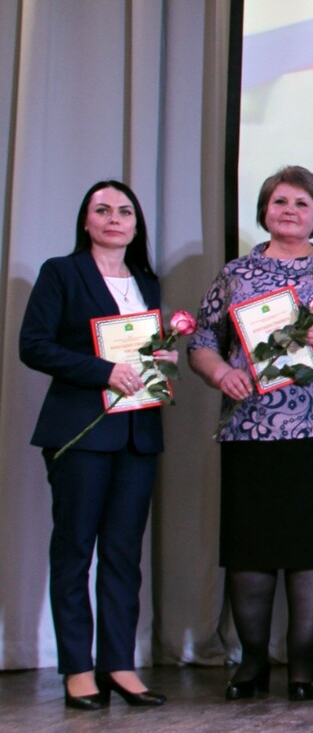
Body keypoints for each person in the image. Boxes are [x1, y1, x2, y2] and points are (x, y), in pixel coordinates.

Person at [187, 166, 313, 701]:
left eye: (301, 203)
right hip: (251, 429)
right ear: (264, 209)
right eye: (280, 201)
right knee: (252, 552)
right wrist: (221, 373)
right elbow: (201, 340)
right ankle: (253, 662)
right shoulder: (236, 272)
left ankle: (304, 662)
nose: (289, 211)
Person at [20, 181, 174, 710]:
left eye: (124, 211)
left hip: (138, 433)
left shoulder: (147, 281)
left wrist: (163, 360)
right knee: (74, 551)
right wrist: (103, 371)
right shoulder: (62, 273)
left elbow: (144, 350)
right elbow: (33, 345)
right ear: (86, 222)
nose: (114, 218)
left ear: (136, 224)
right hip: (80, 432)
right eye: (102, 210)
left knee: (123, 555)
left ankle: (118, 665)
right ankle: (78, 669)